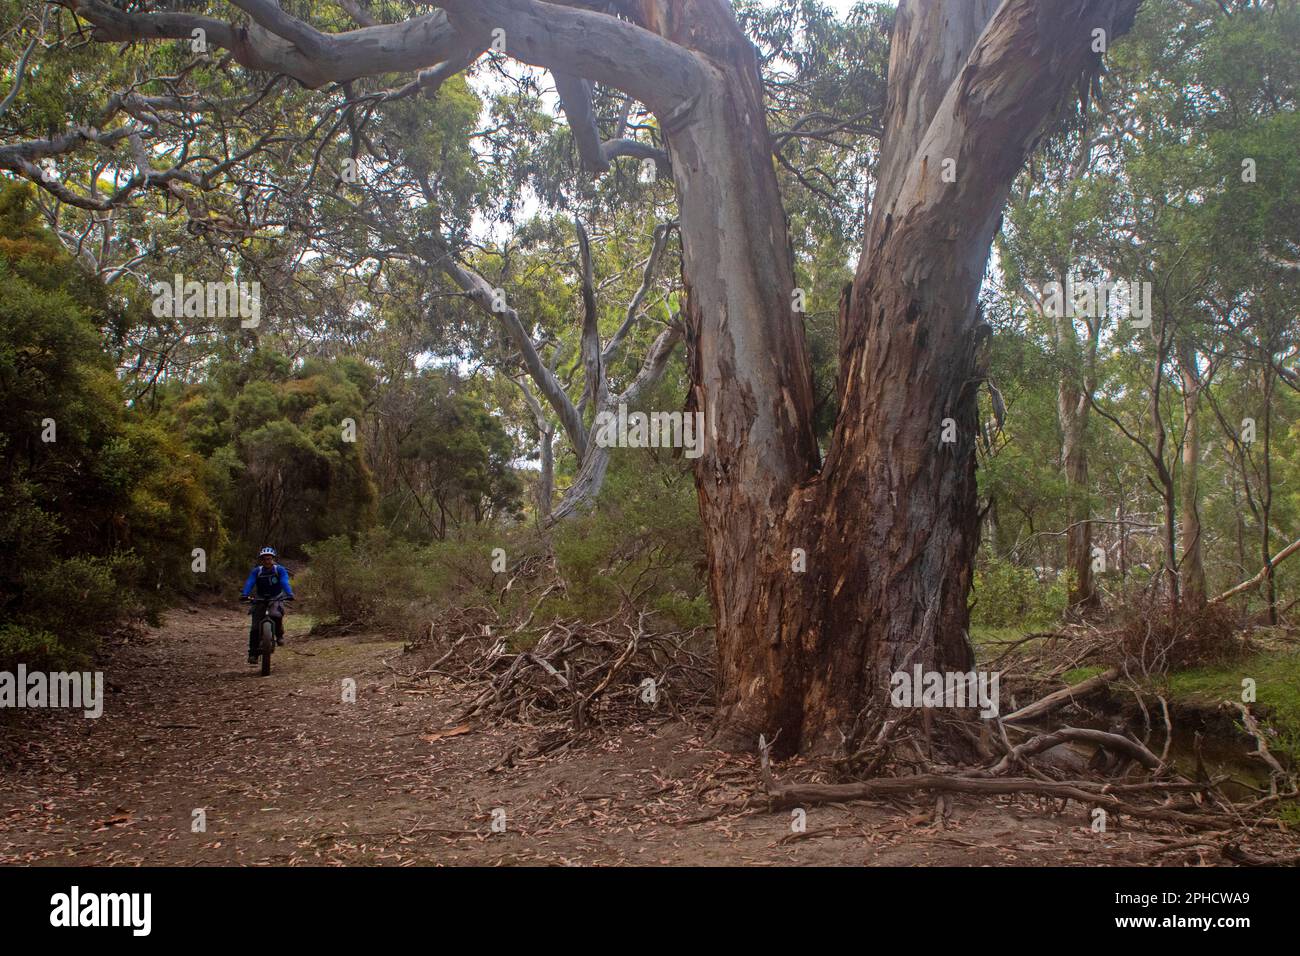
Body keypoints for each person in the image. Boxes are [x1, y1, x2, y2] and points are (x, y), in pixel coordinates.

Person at [240, 547, 294, 664]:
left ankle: (279, 635)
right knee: (255, 627)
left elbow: (284, 581)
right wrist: (245, 594)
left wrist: (289, 594)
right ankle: (253, 654)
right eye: (264, 559)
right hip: (260, 598)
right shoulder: (257, 571)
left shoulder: (279, 570)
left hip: (276, 597)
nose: (267, 561)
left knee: (276, 615)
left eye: (269, 559)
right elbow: (250, 582)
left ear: (273, 559)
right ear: (261, 560)